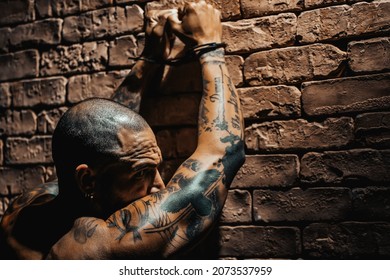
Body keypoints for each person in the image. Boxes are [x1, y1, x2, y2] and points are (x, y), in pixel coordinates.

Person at [0, 1, 245, 259]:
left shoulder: (23, 213)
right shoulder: (99, 247)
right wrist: (210, 47)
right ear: (87, 180)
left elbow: (100, 132)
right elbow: (223, 152)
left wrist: (148, 58)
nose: (160, 185)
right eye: (142, 173)